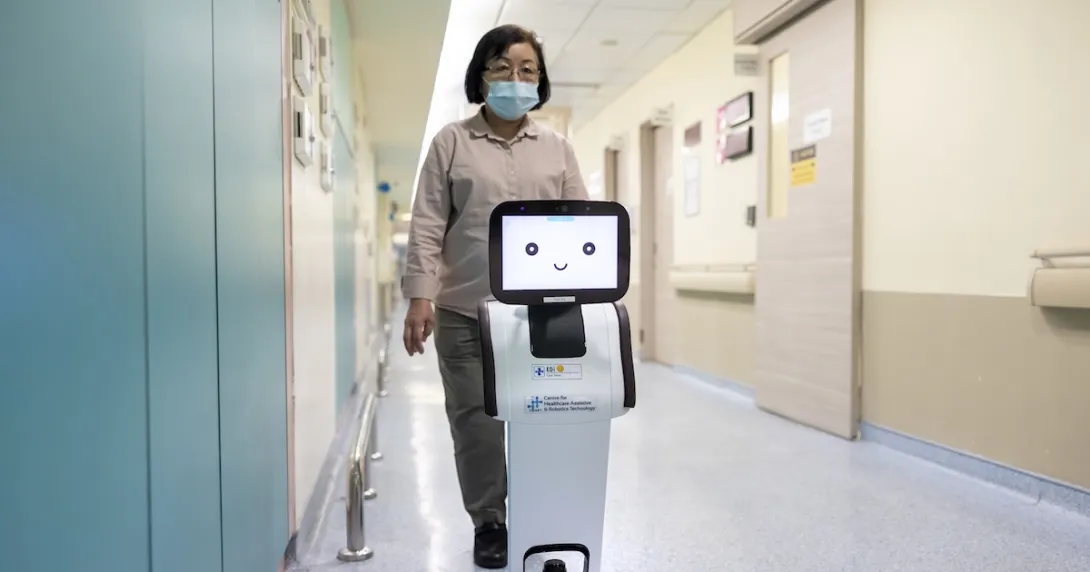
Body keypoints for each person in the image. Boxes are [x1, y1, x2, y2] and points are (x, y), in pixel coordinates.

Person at [400, 24, 588, 569]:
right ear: (481, 77)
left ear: (541, 81)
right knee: (477, 423)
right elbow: (428, 225)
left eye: (527, 69)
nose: (516, 79)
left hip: (543, 315)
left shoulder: (558, 149)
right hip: (465, 312)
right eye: (502, 67)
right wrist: (420, 297)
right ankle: (489, 521)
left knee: (543, 417)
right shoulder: (451, 143)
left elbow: (581, 226)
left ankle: (541, 510)